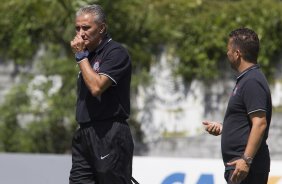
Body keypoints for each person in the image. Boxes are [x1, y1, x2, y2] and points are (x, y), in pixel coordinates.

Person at [69, 4, 134, 184]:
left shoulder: (115, 52)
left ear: (102, 28)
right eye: (77, 28)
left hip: (109, 133)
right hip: (84, 133)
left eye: (86, 28)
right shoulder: (88, 55)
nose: (81, 33)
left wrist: (81, 57)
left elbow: (97, 87)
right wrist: (84, 57)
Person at [203, 28, 272, 184]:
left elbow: (260, 123)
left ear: (237, 53)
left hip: (245, 168)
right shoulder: (246, 80)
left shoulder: (252, 81)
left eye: (229, 50)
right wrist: (224, 127)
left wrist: (246, 160)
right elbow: (246, 122)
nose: (227, 54)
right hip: (239, 167)